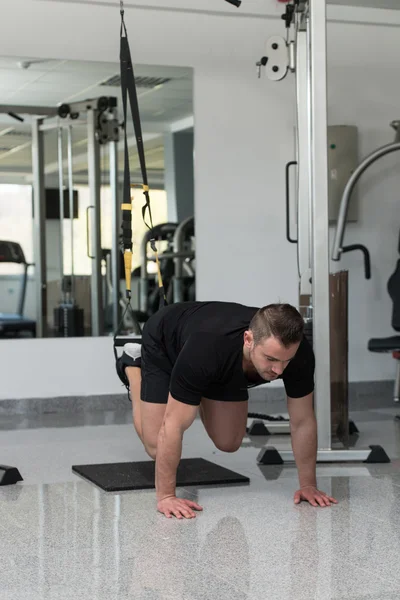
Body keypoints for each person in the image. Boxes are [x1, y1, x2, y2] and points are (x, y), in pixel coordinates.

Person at [116, 301, 338, 519]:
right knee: (155, 445)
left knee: (229, 442)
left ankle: (197, 381)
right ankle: (132, 365)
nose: (278, 370)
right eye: (270, 359)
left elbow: (303, 420)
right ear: (248, 339)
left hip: (212, 360)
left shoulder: (299, 354)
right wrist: (166, 496)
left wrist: (308, 485)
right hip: (165, 340)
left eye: (285, 361)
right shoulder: (206, 349)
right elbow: (173, 425)